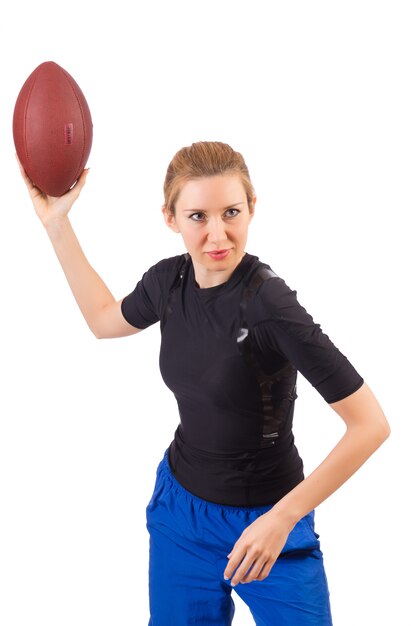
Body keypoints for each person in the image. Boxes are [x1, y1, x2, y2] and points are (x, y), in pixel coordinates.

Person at [18, 142, 390, 626]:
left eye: (231, 212)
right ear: (171, 218)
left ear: (252, 208)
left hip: (271, 521)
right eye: (198, 216)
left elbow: (370, 425)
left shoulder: (271, 308)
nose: (218, 234)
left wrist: (281, 519)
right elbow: (103, 320)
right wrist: (56, 225)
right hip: (182, 516)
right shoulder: (168, 283)